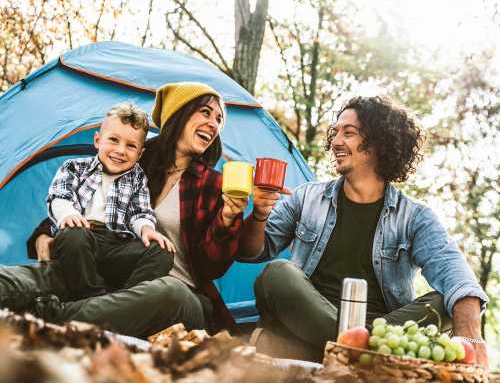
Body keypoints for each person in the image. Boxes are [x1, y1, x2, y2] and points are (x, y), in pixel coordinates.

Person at [239, 96, 489, 366]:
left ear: (379, 142)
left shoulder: (415, 217)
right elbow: (251, 251)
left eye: (348, 133)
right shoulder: (307, 197)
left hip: (383, 327)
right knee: (278, 273)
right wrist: (260, 214)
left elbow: (457, 277)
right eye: (335, 133)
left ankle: (336, 351)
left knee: (447, 301)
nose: (335, 142)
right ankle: (362, 353)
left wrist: (472, 342)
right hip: (309, 319)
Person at [0, 82, 247, 338]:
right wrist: (44, 234)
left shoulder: (215, 185)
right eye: (205, 113)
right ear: (179, 112)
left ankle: (49, 318)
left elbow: (211, 269)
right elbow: (82, 195)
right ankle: (77, 310)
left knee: (170, 293)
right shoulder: (136, 154)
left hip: (168, 290)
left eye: (219, 119)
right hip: (98, 270)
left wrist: (227, 219)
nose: (214, 124)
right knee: (15, 281)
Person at [46, 102, 174, 301]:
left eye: (131, 146)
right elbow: (59, 197)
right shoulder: (74, 167)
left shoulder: (137, 178)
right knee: (72, 236)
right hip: (82, 237)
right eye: (113, 140)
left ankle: (123, 303)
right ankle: (93, 298)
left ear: (140, 154)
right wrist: (68, 214)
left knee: (161, 251)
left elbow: (140, 212)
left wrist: (147, 229)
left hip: (117, 245)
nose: (121, 150)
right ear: (97, 140)